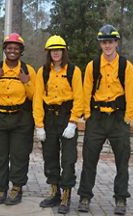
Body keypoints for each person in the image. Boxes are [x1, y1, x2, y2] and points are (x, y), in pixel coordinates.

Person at [77, 24, 133, 215]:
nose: (107, 45)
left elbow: (132, 93)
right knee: (89, 159)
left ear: (116, 43)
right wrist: (87, 115)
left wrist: (128, 118)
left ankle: (121, 199)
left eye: (110, 41)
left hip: (118, 119)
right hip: (96, 118)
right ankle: (85, 197)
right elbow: (85, 92)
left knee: (122, 161)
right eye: (104, 42)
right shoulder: (92, 66)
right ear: (100, 44)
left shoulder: (125, 66)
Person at [0, 33, 36, 205]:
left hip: (21, 118)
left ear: (21, 51)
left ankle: (16, 188)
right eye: (9, 48)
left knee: (19, 155)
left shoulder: (28, 70)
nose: (12, 51)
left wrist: (26, 82)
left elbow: (34, 95)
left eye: (16, 48)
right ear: (4, 50)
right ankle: (0, 189)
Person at [33, 35, 83, 214]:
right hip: (49, 118)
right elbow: (37, 99)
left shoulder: (73, 71)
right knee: (50, 157)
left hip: (66, 116)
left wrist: (73, 122)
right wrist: (39, 125)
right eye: (52, 50)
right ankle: (54, 192)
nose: (56, 53)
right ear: (48, 52)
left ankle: (66, 195)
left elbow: (79, 97)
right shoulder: (43, 72)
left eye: (59, 49)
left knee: (68, 159)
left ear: (64, 51)